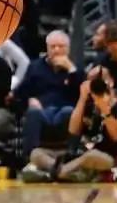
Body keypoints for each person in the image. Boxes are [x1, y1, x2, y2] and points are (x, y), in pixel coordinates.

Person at [24, 70, 117, 182]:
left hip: (107, 158)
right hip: (80, 155)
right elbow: (73, 131)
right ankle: (66, 173)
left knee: (93, 155)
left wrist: (104, 108)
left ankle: (57, 173)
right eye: (91, 80)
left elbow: (116, 136)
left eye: (98, 80)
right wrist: (82, 98)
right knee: (36, 153)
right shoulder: (89, 104)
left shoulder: (116, 104)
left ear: (110, 82)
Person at [17, 31, 82, 161]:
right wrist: (30, 99)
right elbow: (21, 92)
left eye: (61, 46)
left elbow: (81, 94)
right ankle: (30, 159)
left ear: (68, 49)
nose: (56, 50)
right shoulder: (35, 67)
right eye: (53, 46)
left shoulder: (75, 69)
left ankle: (71, 156)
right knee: (33, 112)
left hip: (65, 110)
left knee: (69, 111)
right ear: (47, 48)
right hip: (42, 110)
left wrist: (70, 69)